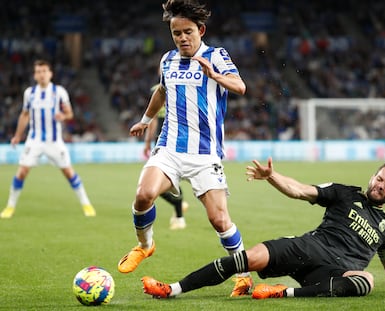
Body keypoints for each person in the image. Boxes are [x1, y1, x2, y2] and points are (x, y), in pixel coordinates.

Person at [117, 0, 252, 296]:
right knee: (143, 195)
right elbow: (162, 91)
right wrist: (145, 120)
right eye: (176, 33)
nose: (182, 38)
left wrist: (215, 76)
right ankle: (145, 245)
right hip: (170, 148)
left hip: (206, 154)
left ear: (200, 30)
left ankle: (242, 275)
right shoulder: (167, 60)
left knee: (219, 220)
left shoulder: (216, 56)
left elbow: (240, 86)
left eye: (187, 32)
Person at [140, 158, 385, 299]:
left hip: (335, 272)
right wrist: (272, 177)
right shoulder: (344, 193)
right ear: (373, 176)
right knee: (248, 258)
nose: (380, 186)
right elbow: (299, 190)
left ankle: (282, 292)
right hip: (309, 247)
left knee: (366, 281)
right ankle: (172, 289)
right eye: (379, 179)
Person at [0, 59, 96, 219]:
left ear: (50, 73)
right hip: (34, 140)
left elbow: (70, 114)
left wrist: (63, 115)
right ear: (35, 75)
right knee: (22, 171)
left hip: (54, 141)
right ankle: (10, 207)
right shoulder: (29, 93)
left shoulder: (59, 92)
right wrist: (17, 136)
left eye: (44, 71)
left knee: (68, 172)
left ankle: (86, 203)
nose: (42, 74)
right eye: (38, 71)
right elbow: (24, 115)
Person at [144, 86, 189, 230]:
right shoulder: (166, 88)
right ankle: (179, 213)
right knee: (166, 179)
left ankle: (179, 214)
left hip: (171, 139)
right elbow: (154, 118)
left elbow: (154, 119)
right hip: (167, 139)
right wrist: (148, 141)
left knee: (160, 182)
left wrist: (148, 141)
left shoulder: (176, 86)